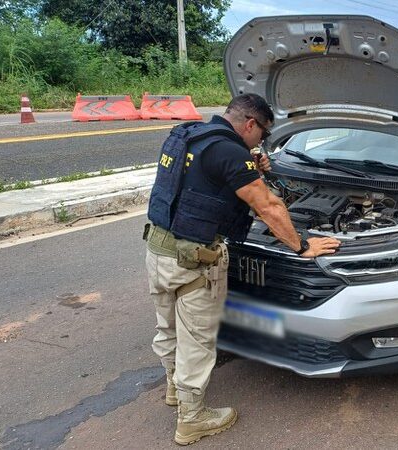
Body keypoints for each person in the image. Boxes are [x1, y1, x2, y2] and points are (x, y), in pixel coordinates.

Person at [143, 93, 340, 445]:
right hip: (194, 261)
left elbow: (202, 179)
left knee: (167, 326)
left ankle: (174, 389)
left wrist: (248, 163)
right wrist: (302, 246)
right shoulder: (231, 153)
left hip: (158, 250)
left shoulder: (187, 135)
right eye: (262, 134)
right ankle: (191, 418)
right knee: (198, 340)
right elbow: (269, 207)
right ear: (250, 124)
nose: (261, 142)